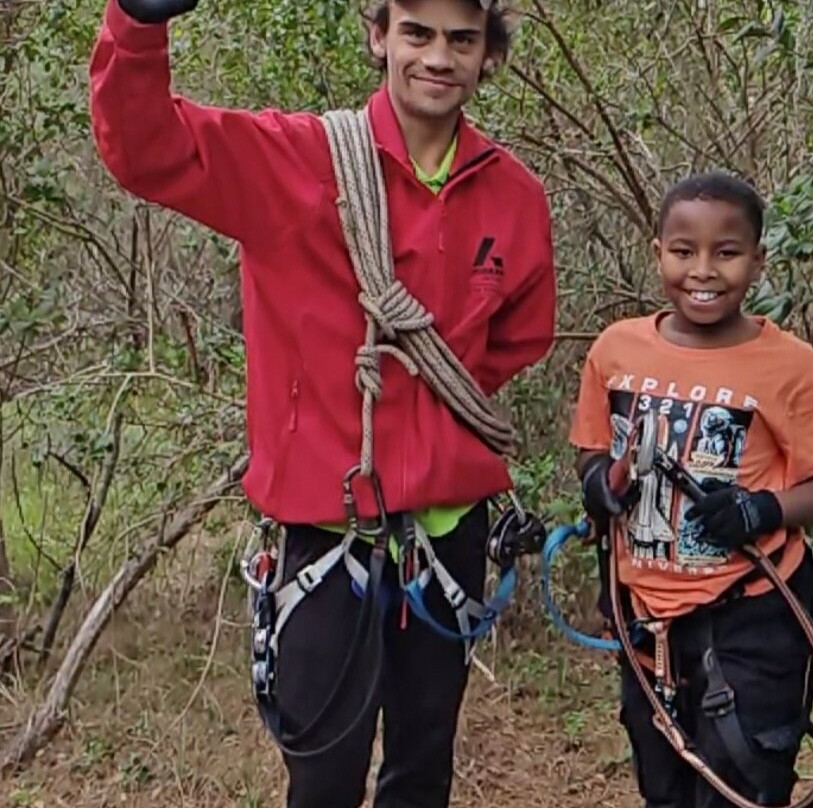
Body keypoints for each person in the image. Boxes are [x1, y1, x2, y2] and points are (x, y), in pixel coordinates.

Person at [88, 1, 556, 807]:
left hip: (447, 536)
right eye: (416, 34)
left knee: (421, 769)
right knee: (324, 776)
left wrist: (432, 426)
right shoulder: (296, 161)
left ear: (487, 57)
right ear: (380, 37)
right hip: (326, 531)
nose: (436, 58)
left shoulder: (511, 193)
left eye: (460, 40)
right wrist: (138, 24)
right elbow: (147, 148)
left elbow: (521, 334)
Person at [568, 171, 813, 808]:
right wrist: (597, 482)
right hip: (647, 622)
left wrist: (764, 508)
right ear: (657, 252)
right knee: (664, 786)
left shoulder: (792, 367)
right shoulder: (616, 350)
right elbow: (594, 446)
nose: (703, 270)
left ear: (757, 260)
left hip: (752, 615)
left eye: (726, 253)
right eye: (683, 251)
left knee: (742, 784)